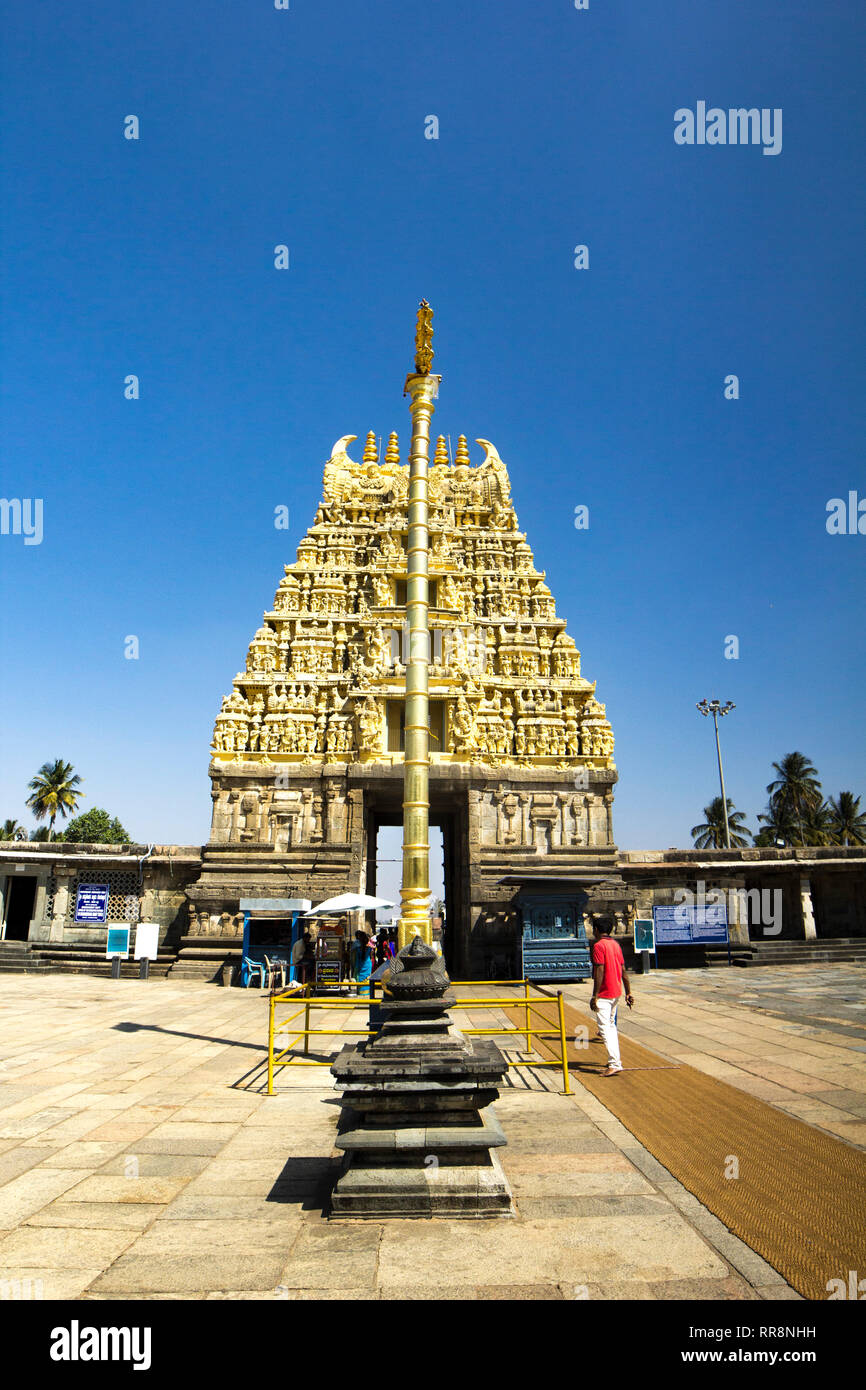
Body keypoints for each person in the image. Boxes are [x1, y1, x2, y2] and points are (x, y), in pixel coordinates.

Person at [589, 917, 633, 1076]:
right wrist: (628, 991)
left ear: (596, 930)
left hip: (605, 993)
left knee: (604, 1028)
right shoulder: (615, 945)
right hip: (616, 992)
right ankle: (615, 1060)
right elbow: (623, 970)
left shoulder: (598, 946)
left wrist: (595, 995)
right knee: (611, 1026)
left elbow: (599, 971)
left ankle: (615, 1063)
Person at [351, 929, 374, 997]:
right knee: (367, 978)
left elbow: (354, 957)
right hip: (367, 965)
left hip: (360, 964)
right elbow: (371, 957)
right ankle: (366, 992)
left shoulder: (357, 948)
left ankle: (360, 991)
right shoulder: (370, 948)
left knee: (360, 977)